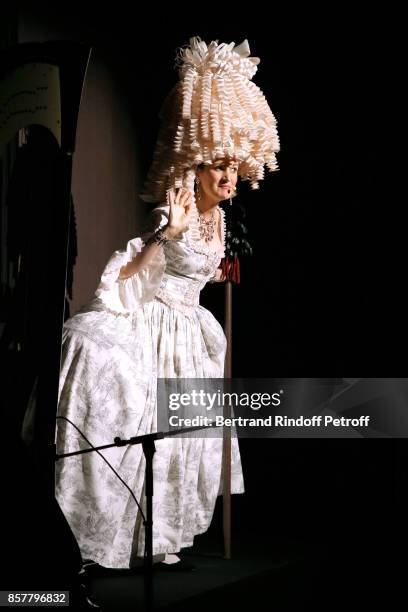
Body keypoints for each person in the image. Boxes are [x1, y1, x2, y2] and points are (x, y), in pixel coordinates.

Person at [55, 36, 279, 570]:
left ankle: (163, 538)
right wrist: (166, 234)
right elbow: (133, 268)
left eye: (232, 166)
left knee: (186, 442)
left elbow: (207, 264)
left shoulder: (223, 215)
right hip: (156, 325)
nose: (227, 177)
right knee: (143, 424)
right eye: (215, 165)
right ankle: (96, 538)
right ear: (193, 165)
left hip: (191, 334)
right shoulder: (172, 208)